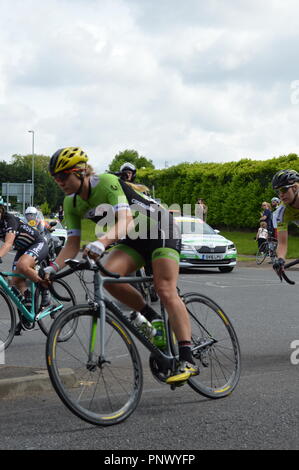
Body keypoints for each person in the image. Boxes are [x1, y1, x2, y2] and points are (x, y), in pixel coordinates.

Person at [45, 147, 199, 384]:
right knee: (112, 279)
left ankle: (188, 358)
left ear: (80, 172)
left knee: (165, 289)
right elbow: (72, 244)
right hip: (133, 240)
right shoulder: (71, 203)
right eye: (55, 178)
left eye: (63, 176)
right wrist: (52, 268)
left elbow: (125, 220)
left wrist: (102, 241)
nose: (59, 182)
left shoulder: (106, 182)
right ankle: (152, 318)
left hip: (160, 229)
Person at [0, 203, 49, 333]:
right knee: (13, 284)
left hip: (37, 243)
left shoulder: (9, 220)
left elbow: (8, 243)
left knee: (22, 265)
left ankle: (45, 288)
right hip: (23, 249)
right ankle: (26, 309)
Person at [271, 169, 299, 278]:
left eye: (284, 190)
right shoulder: (280, 213)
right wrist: (281, 260)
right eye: (278, 191)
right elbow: (282, 243)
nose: (281, 195)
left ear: (295, 188)